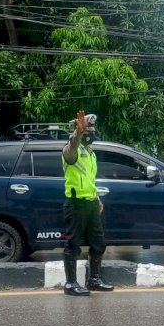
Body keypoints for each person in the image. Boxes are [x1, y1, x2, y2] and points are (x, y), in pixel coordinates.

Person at [61, 110, 114, 296]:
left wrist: (97, 198)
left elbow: (89, 179)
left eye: (90, 128)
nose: (92, 132)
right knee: (73, 244)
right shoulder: (70, 150)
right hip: (76, 203)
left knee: (99, 243)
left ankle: (94, 280)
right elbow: (72, 146)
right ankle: (70, 284)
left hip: (90, 203)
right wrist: (78, 133)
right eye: (88, 128)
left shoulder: (90, 153)